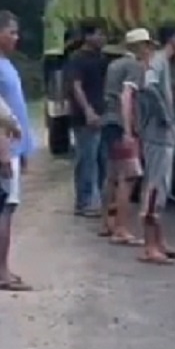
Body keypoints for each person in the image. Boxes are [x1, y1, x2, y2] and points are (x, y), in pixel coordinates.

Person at [137, 22, 175, 265]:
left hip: (164, 137)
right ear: (174, 39)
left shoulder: (165, 62)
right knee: (154, 188)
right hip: (157, 136)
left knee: (162, 188)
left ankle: (160, 242)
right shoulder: (158, 61)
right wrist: (164, 115)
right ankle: (149, 247)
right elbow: (148, 86)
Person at [98, 28, 151, 244]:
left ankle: (106, 223)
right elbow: (127, 96)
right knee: (129, 176)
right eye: (147, 45)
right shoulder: (135, 66)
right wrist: (129, 130)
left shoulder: (114, 65)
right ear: (139, 46)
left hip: (108, 122)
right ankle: (121, 229)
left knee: (112, 175)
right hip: (121, 124)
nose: (149, 49)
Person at [0, 10, 33, 291]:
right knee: (5, 210)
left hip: (13, 149)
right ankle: (2, 272)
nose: (16, 37)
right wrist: (5, 153)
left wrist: (23, 151)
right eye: (11, 32)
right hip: (3, 150)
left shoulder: (6, 64)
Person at [65, 19, 109, 217]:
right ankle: (83, 203)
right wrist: (88, 111)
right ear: (87, 36)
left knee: (102, 161)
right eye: (99, 34)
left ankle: (97, 200)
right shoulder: (77, 59)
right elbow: (76, 86)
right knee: (86, 160)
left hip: (101, 115)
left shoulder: (100, 58)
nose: (103, 38)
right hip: (84, 118)